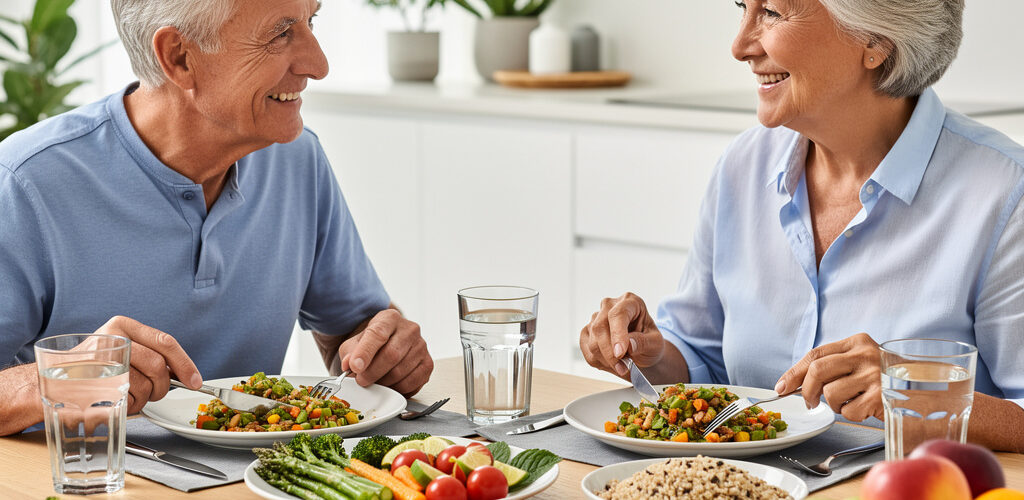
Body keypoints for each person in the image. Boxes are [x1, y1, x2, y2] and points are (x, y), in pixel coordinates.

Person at [579, 0, 1024, 452]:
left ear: (875, 40)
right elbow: (702, 357)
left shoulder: (1005, 193)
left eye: (771, 12)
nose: (739, 46)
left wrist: (912, 393)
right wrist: (648, 353)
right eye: (743, 6)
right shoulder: (743, 165)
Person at [0, 0, 432, 436]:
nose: (318, 65)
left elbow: (351, 336)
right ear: (179, 57)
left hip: (258, 471)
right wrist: (58, 378)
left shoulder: (297, 159)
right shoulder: (25, 181)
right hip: (82, 473)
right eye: (280, 33)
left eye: (311, 21)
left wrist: (385, 352)